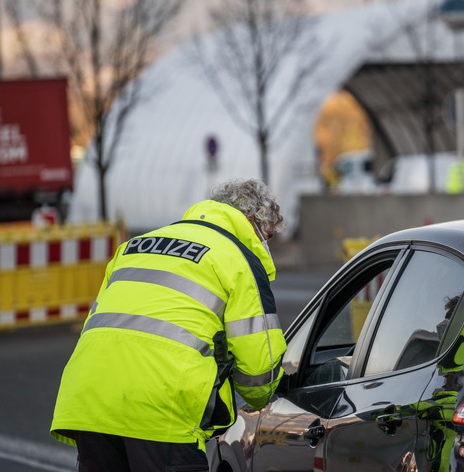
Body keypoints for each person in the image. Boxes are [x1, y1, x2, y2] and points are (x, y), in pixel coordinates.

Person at [50, 178, 288, 471]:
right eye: (269, 235)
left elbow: (102, 326)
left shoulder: (133, 246)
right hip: (161, 411)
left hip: (87, 402)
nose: (267, 244)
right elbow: (258, 378)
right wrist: (286, 382)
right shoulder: (238, 259)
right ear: (251, 221)